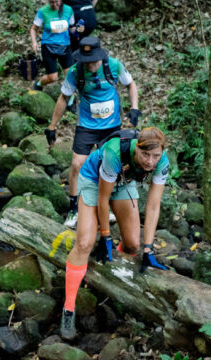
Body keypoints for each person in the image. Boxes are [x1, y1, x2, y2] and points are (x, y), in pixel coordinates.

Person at [59, 127, 171, 340]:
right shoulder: (114, 153)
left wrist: (148, 249)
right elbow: (103, 198)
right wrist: (106, 235)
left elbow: (154, 206)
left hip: (123, 183)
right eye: (145, 154)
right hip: (93, 180)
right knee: (84, 243)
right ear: (137, 147)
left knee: (132, 246)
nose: (150, 161)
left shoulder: (162, 161)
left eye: (155, 156)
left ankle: (108, 267)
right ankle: (68, 308)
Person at [45, 36, 141, 228]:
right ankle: (74, 208)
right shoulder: (75, 71)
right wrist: (52, 126)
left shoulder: (114, 66)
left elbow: (130, 85)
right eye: (86, 61)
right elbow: (63, 98)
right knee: (77, 164)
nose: (89, 65)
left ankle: (108, 206)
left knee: (110, 164)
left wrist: (134, 108)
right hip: (87, 126)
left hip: (111, 126)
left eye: (92, 60)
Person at [30, 0, 74, 89]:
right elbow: (33, 29)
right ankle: (38, 84)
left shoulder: (68, 10)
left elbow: (72, 27)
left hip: (65, 45)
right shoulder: (43, 11)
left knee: (70, 75)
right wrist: (34, 42)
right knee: (53, 77)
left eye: (57, 1)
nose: (55, 5)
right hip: (48, 46)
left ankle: (69, 101)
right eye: (52, 2)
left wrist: (78, 29)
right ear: (48, 1)